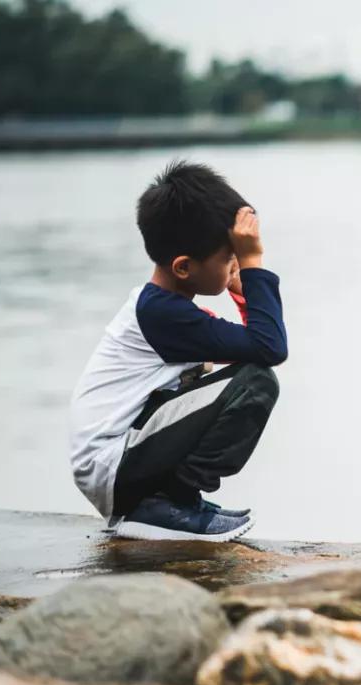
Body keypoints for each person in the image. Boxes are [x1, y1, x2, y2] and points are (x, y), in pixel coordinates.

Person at [68, 160, 287, 541]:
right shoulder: (162, 313)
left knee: (247, 375)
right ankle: (165, 503)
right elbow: (268, 349)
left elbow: (257, 347)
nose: (235, 262)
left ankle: (169, 502)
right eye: (228, 257)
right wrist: (253, 263)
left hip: (119, 463)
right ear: (184, 267)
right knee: (256, 383)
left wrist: (238, 291)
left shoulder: (166, 310)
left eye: (237, 255)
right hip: (115, 466)